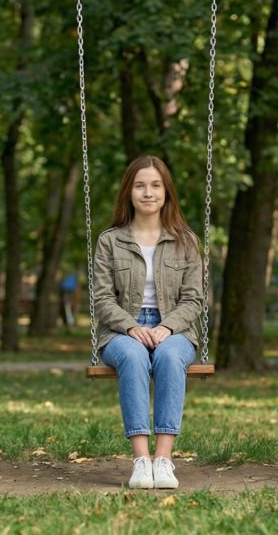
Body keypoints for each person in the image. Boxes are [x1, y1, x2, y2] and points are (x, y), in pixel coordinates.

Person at [91, 156, 205, 490]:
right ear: (129, 192)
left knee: (170, 356)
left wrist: (167, 327)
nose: (148, 193)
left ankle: (164, 459)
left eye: (155, 186)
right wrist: (130, 327)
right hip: (121, 330)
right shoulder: (110, 241)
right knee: (134, 356)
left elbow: (194, 299)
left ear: (166, 192)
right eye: (140, 185)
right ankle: (141, 460)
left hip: (175, 328)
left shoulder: (186, 241)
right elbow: (102, 298)